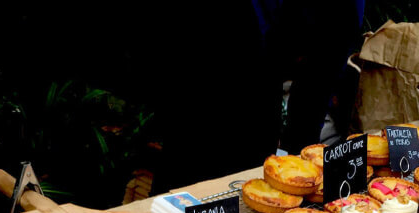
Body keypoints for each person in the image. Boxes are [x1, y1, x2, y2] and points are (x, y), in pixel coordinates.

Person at [151, 0, 366, 191]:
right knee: (180, 184)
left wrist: (297, 167)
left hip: (259, 93)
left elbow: (322, 73)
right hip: (199, 77)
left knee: (245, 189)